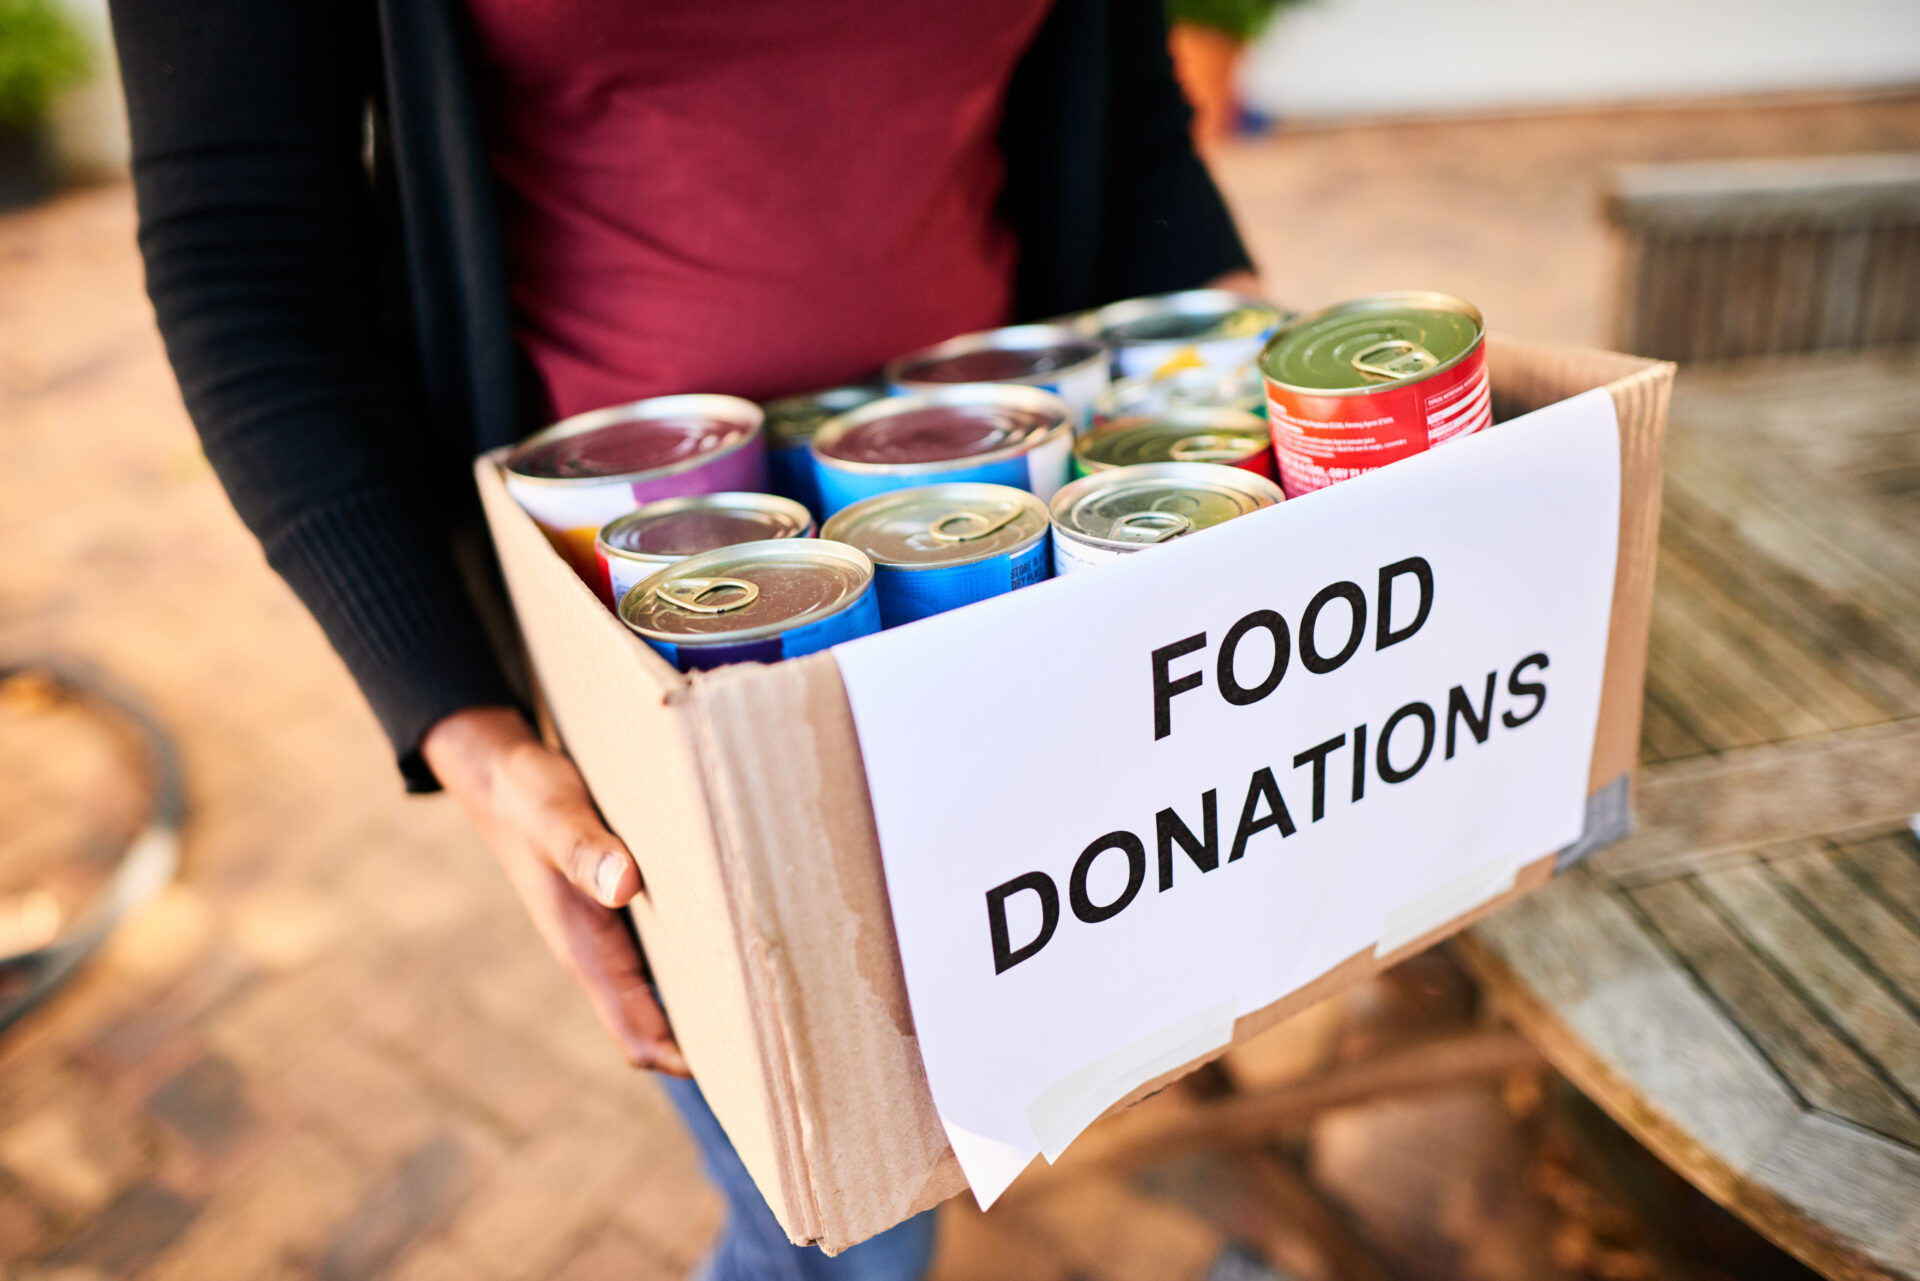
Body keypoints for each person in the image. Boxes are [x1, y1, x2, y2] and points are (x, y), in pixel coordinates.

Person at [106, 1, 1258, 1275]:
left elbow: (1131, 118)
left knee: (1056, 986)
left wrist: (1240, 385)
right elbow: (244, 256)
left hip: (1018, 533)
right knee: (845, 1233)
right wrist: (473, 732)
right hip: (650, 630)